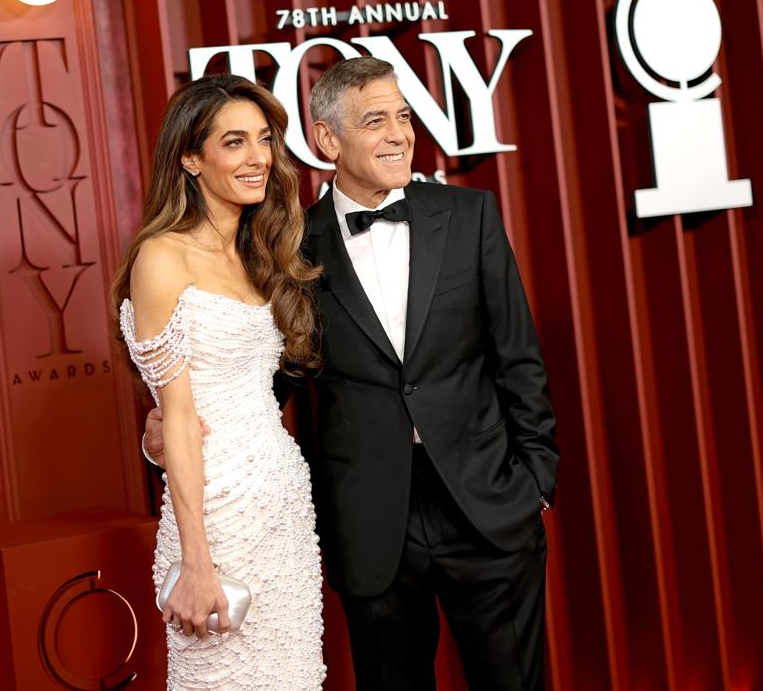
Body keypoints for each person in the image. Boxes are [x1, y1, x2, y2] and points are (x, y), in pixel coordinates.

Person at [145, 57, 559, 690]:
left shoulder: (470, 215)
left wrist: (535, 481)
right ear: (328, 141)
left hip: (487, 508)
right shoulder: (287, 246)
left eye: (403, 117)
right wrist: (167, 429)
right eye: (375, 121)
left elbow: (518, 358)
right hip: (369, 522)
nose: (398, 134)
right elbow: (266, 379)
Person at [113, 73, 326, 690]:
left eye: (263, 139)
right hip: (216, 512)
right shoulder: (162, 256)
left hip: (282, 503)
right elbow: (177, 415)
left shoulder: (260, 253)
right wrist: (195, 561)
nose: (258, 156)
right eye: (233, 142)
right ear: (189, 157)